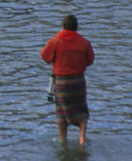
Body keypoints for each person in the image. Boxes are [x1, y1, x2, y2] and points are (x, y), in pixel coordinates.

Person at [41, 14, 95, 145]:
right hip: (78, 81)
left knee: (61, 111)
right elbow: (90, 60)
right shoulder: (84, 43)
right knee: (81, 108)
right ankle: (82, 137)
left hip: (61, 82)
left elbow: (45, 56)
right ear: (77, 28)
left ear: (63, 27)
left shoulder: (54, 42)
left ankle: (63, 140)